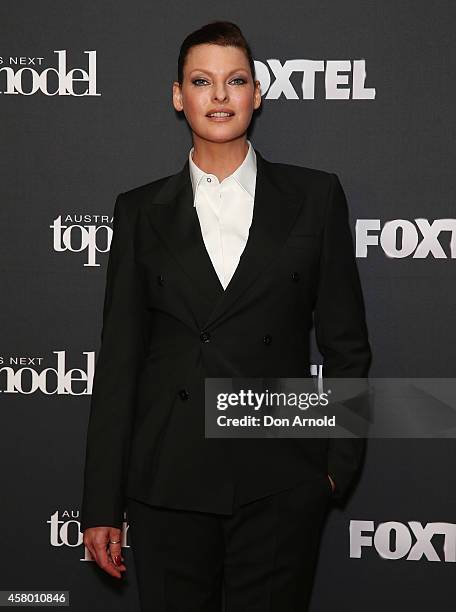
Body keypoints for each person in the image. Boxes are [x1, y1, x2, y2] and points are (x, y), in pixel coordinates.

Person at [81, 20, 372, 611]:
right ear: (177, 95)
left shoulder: (314, 198)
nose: (219, 96)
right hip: (167, 482)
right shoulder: (139, 211)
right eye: (202, 81)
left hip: (280, 480)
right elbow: (119, 363)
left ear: (256, 94)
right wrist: (101, 504)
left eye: (235, 80)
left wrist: (334, 468)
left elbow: (346, 345)